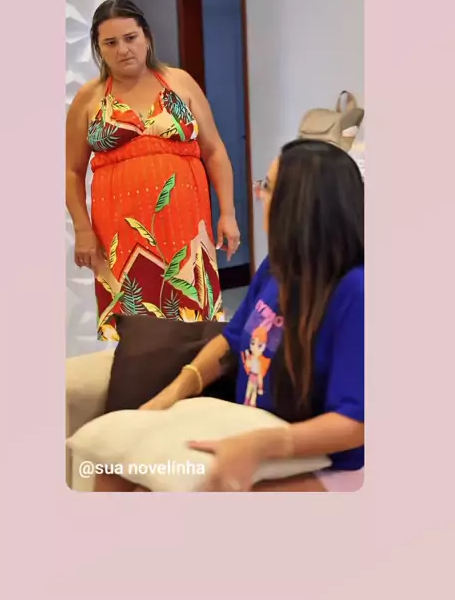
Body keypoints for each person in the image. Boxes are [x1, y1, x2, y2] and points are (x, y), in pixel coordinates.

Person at [94, 138, 364, 493]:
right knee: (113, 469)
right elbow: (231, 341)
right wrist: (172, 394)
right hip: (251, 431)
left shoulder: (355, 293)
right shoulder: (277, 268)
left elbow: (356, 423)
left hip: (324, 463)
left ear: (299, 204)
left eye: (268, 186)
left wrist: (261, 445)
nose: (258, 194)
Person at [66, 0, 240, 341]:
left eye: (130, 38)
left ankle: (194, 374)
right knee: (138, 332)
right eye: (110, 43)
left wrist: (228, 213)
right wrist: (83, 231)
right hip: (121, 229)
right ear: (99, 48)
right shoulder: (89, 97)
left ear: (146, 36)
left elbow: (214, 150)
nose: (123, 50)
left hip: (185, 221)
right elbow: (72, 171)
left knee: (193, 323)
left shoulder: (180, 82)